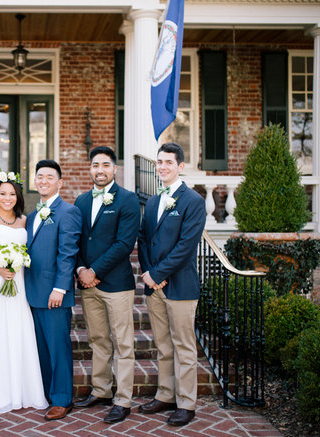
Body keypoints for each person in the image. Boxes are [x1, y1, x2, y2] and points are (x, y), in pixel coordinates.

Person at [137, 142, 206, 427]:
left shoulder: (193, 201)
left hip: (181, 287)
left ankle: (186, 402)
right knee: (163, 346)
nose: (162, 167)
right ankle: (165, 394)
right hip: (156, 287)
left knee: (184, 346)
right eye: (159, 162)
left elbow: (186, 247)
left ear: (180, 166)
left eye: (168, 162)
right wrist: (150, 273)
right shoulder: (153, 201)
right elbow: (143, 240)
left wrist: (160, 273)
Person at [0, 172, 48, 414]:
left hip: (18, 283)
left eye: (12, 193)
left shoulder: (24, 221)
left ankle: (22, 391)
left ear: (18, 196)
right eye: (3, 193)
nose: (7, 198)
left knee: (19, 332)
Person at [73, 146, 140, 424]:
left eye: (105, 165)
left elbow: (124, 244)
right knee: (98, 340)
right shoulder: (81, 201)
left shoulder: (128, 200)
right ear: (90, 169)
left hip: (116, 284)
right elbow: (75, 239)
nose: (99, 170)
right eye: (94, 165)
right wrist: (80, 269)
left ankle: (122, 399)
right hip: (88, 285)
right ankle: (101, 390)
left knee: (123, 343)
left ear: (114, 169)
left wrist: (94, 270)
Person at [24, 160, 82, 421]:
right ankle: (48, 394)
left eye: (49, 177)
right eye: (39, 176)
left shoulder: (67, 211)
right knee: (41, 348)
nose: (43, 180)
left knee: (58, 347)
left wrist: (60, 287)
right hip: (32, 291)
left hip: (53, 292)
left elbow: (68, 253)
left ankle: (62, 399)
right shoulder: (34, 215)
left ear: (60, 182)